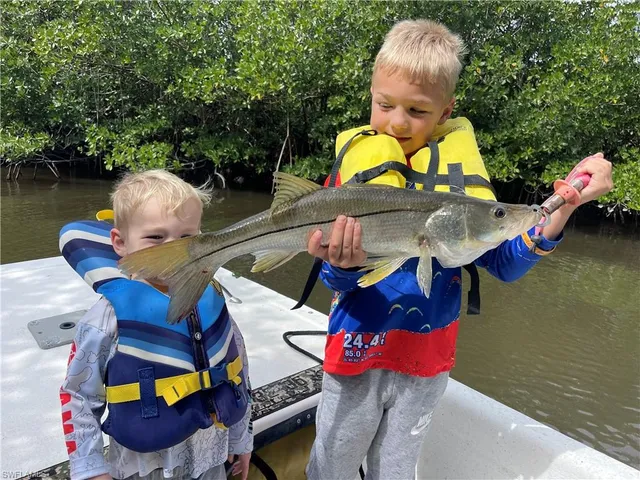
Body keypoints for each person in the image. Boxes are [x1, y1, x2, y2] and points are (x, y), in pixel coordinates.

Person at [305, 19, 613, 480]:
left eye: (418, 110)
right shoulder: (354, 177)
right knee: (332, 466)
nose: (397, 121)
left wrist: (563, 209)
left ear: (446, 111)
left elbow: (505, 265)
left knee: (395, 471)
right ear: (371, 94)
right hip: (355, 354)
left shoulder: (462, 189)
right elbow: (334, 278)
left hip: (424, 369)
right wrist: (343, 267)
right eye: (384, 104)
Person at [59, 170, 253, 480]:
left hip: (210, 456)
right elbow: (79, 396)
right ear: (120, 243)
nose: (174, 251)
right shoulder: (106, 318)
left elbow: (237, 370)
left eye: (187, 238)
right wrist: (90, 468)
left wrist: (242, 438)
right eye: (156, 237)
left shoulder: (211, 299)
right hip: (144, 466)